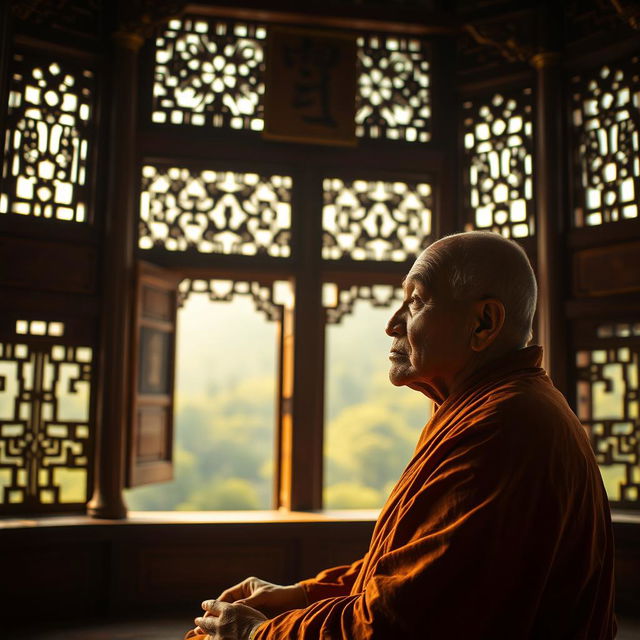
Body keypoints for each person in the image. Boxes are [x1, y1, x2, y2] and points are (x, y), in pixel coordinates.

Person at [186, 231, 616, 640]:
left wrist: (259, 632)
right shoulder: (485, 408)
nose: (392, 324)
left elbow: (401, 624)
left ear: (484, 322)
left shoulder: (505, 426)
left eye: (415, 302)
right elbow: (417, 570)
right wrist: (300, 594)